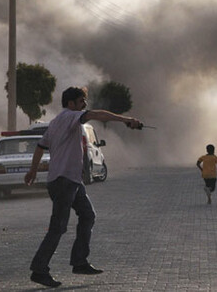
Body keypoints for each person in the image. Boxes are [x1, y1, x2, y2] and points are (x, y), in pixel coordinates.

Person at [24, 87, 143, 288]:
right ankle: (39, 269)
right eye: (81, 101)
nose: (84, 105)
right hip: (64, 181)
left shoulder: (54, 123)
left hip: (69, 181)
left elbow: (40, 146)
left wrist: (33, 171)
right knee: (58, 228)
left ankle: (79, 261)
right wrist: (126, 120)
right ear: (71, 103)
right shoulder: (71, 116)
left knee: (88, 215)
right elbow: (97, 114)